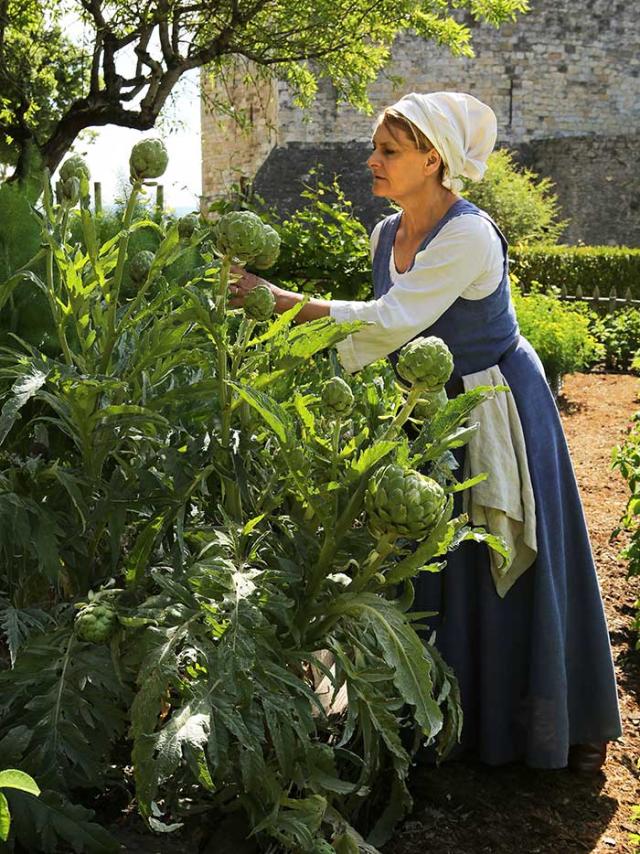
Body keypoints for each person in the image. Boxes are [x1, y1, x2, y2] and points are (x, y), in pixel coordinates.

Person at [229, 91, 622, 772]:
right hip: (420, 405)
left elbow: (388, 322)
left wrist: (278, 303)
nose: (372, 160)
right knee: (426, 559)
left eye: (389, 150)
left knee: (504, 559)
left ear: (432, 158)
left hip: (494, 404)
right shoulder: (386, 234)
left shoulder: (469, 234)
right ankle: (442, 723)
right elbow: (382, 336)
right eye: (375, 147)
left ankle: (557, 725)